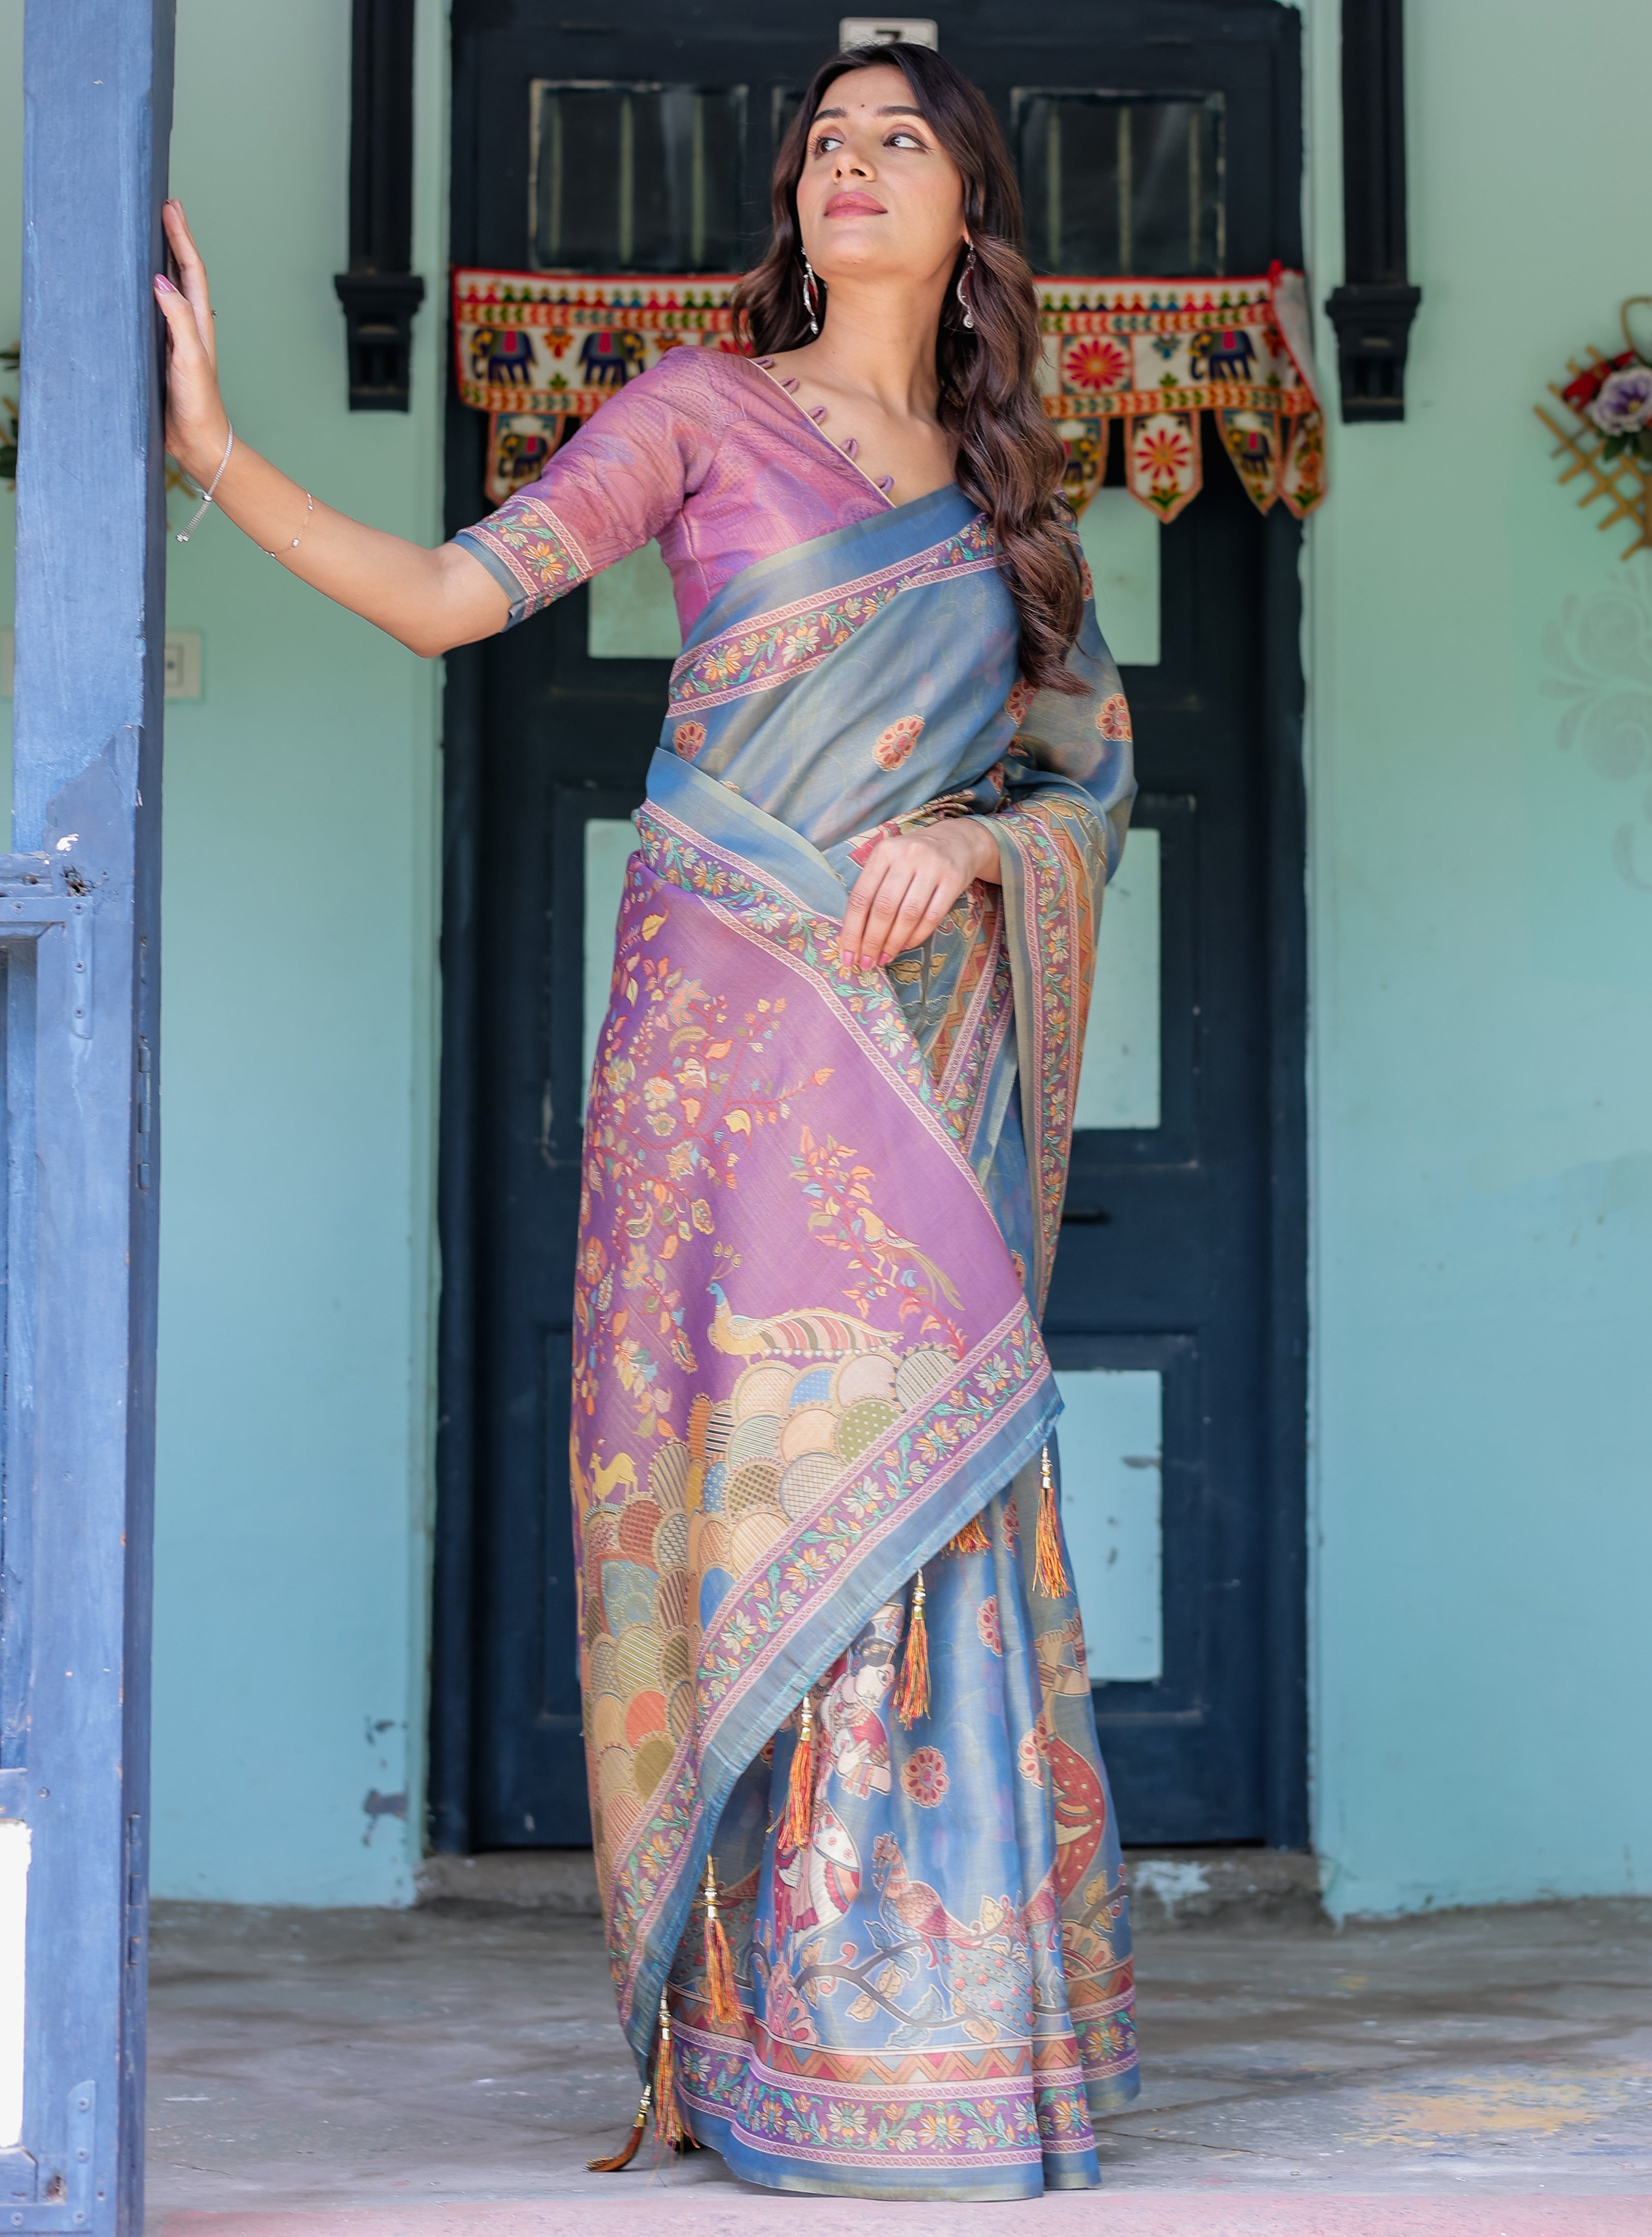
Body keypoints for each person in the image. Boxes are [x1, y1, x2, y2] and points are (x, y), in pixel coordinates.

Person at [157, 39, 1139, 2203]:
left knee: (927, 1480)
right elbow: (450, 600)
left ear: (968, 205)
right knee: (762, 1487)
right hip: (735, 1049)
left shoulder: (1012, 504)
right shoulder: (695, 413)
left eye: (900, 140)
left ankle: (940, 2031)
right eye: (824, 141)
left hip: (919, 1055)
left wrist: (974, 851)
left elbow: (1082, 777)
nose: (851, 165)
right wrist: (218, 455)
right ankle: (775, 2035)